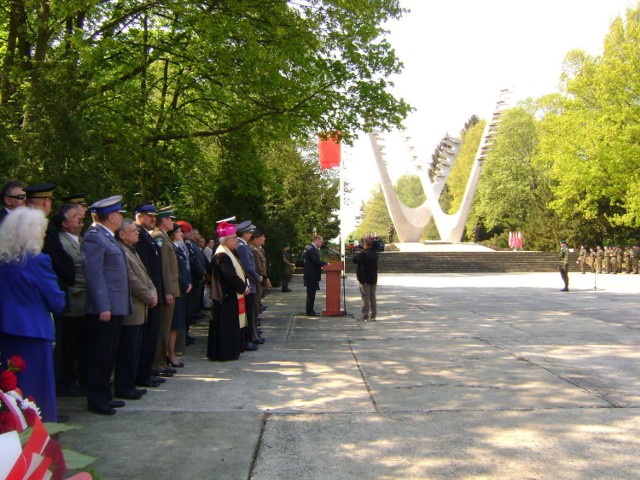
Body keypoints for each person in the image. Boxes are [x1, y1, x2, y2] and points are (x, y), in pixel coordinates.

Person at [0, 207, 66, 422]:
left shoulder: (3, 261)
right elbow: (56, 301)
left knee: (10, 389)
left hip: (6, 331)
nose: (44, 235)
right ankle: (41, 440)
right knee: (37, 393)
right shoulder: (38, 261)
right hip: (34, 334)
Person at [82, 195, 132, 415]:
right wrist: (103, 305)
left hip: (115, 305)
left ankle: (105, 395)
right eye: (119, 213)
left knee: (109, 353)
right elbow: (95, 275)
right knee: (100, 354)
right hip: (105, 308)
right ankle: (96, 399)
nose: (121, 217)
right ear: (111, 217)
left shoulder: (107, 236)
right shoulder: (94, 237)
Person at [115, 219, 157, 400]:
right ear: (122, 235)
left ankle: (131, 383)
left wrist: (153, 291)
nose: (137, 233)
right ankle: (124, 386)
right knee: (128, 350)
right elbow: (132, 280)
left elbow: (145, 276)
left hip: (141, 307)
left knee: (135, 348)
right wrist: (149, 296)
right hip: (132, 307)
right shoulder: (122, 251)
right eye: (132, 231)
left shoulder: (132, 250)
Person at [56, 203, 88, 397]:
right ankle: (66, 383)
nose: (79, 218)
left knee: (81, 345)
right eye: (74, 216)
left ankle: (78, 379)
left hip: (85, 302)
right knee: (69, 346)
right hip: (73, 302)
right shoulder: (61, 242)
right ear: (65, 224)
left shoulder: (80, 240)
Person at [133, 202, 166, 388]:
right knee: (146, 337)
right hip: (148, 295)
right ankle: (143, 374)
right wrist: (151, 293)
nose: (154, 219)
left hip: (154, 292)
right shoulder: (139, 236)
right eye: (149, 216)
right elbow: (143, 270)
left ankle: (147, 371)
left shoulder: (147, 236)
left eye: (154, 216)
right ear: (139, 216)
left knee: (151, 336)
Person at [207, 221, 250, 361]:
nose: (236, 241)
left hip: (229, 295)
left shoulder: (229, 252)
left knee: (230, 325)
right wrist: (243, 288)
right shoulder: (222, 255)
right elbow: (231, 276)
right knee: (225, 327)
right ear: (226, 240)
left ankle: (231, 350)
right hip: (224, 296)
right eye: (234, 238)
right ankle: (225, 352)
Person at [151, 206, 181, 378]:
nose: (172, 222)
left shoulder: (164, 237)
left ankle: (161, 361)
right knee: (163, 329)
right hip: (167, 291)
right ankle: (158, 363)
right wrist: (168, 291)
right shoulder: (159, 237)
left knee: (167, 327)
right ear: (164, 220)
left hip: (172, 289)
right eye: (170, 219)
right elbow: (163, 268)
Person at [167, 222, 192, 368]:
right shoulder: (172, 248)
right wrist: (185, 283)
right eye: (179, 232)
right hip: (177, 288)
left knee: (178, 323)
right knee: (174, 324)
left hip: (181, 288)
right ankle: (170, 353)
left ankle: (173, 352)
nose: (181, 234)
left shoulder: (177, 248)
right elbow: (174, 270)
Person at [235, 220, 260, 351]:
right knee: (248, 314)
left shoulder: (242, 245)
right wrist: (258, 278)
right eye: (249, 232)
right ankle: (247, 340)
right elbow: (248, 268)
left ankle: (249, 338)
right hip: (248, 284)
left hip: (249, 284)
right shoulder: (242, 246)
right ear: (245, 234)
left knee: (250, 313)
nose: (251, 234)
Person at [352, 236, 379, 321]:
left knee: (365, 297)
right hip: (373, 278)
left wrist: (362, 251)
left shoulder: (364, 254)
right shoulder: (375, 253)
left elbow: (354, 260)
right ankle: (373, 315)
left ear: (365, 245)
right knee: (372, 297)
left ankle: (365, 316)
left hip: (364, 278)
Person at [303, 235, 327, 316]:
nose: (321, 244)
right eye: (321, 242)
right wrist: (326, 264)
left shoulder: (313, 248)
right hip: (311, 275)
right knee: (311, 294)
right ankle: (310, 311)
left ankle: (310, 310)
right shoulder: (312, 249)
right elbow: (315, 261)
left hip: (312, 275)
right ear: (316, 240)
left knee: (311, 294)